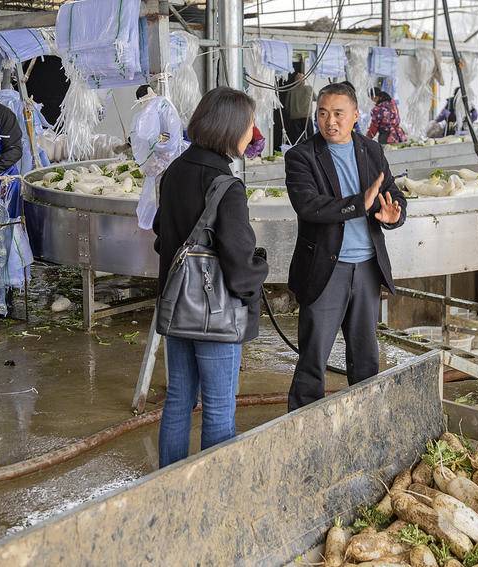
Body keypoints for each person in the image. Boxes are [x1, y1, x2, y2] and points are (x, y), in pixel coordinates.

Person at [153, 86, 269, 467]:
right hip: (216, 317)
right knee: (219, 408)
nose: (253, 133)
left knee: (178, 401)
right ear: (232, 128)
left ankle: (167, 483)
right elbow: (239, 265)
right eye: (250, 125)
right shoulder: (227, 187)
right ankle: (212, 491)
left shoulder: (173, 173)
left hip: (176, 306)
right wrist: (258, 273)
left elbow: (162, 236)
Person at [284, 82, 407, 411]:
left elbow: (393, 194)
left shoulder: (372, 150)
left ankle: (365, 422)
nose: (330, 121)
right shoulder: (301, 156)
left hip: (366, 268)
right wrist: (358, 204)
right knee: (313, 358)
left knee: (365, 357)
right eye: (322, 113)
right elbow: (308, 206)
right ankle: (301, 429)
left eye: (338, 113)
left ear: (355, 115)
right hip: (326, 268)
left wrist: (392, 214)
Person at [286, 71, 315, 144]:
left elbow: (287, 106)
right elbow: (316, 98)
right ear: (304, 80)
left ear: (295, 81)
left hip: (294, 118)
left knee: (297, 140)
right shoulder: (309, 89)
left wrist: (290, 114)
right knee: (310, 139)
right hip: (306, 117)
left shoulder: (291, 91)